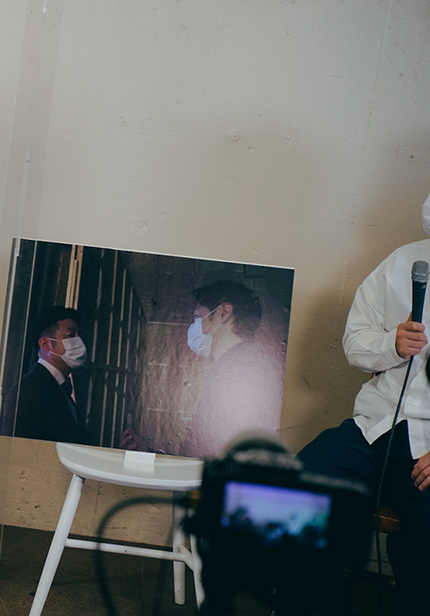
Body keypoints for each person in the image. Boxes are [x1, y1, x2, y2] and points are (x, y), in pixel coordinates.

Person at [297, 197, 430, 614]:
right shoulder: (403, 262)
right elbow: (355, 343)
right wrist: (391, 344)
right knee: (303, 484)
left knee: (424, 540)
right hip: (377, 424)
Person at [121, 280, 283, 457]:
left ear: (224, 313)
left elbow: (214, 462)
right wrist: (146, 453)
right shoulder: (234, 367)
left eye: (197, 317)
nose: (193, 327)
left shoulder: (241, 373)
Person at [0, 306, 88, 443]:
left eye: (79, 335)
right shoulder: (29, 391)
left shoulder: (61, 388)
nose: (79, 341)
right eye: (71, 335)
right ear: (45, 343)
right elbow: (17, 448)